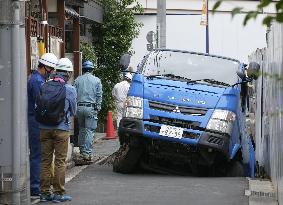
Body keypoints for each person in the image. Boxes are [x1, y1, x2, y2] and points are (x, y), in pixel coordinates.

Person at [37, 58, 77, 202]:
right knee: (60, 161)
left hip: (44, 128)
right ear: (68, 73)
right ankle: (58, 194)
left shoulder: (44, 85)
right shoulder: (70, 89)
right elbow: (73, 111)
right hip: (61, 129)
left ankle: (44, 193)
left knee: (45, 161)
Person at [27, 53, 58, 199]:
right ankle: (35, 187)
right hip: (35, 121)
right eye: (51, 69)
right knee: (37, 155)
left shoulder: (36, 79)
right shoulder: (36, 81)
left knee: (39, 154)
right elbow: (41, 103)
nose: (51, 72)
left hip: (36, 120)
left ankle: (38, 186)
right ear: (45, 67)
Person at [74, 60, 103, 162]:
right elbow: (99, 95)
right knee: (89, 130)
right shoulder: (97, 81)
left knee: (81, 129)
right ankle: (87, 153)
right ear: (92, 69)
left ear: (83, 69)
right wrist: (98, 108)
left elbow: (74, 95)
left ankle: (82, 151)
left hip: (79, 107)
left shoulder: (77, 80)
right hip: (90, 108)